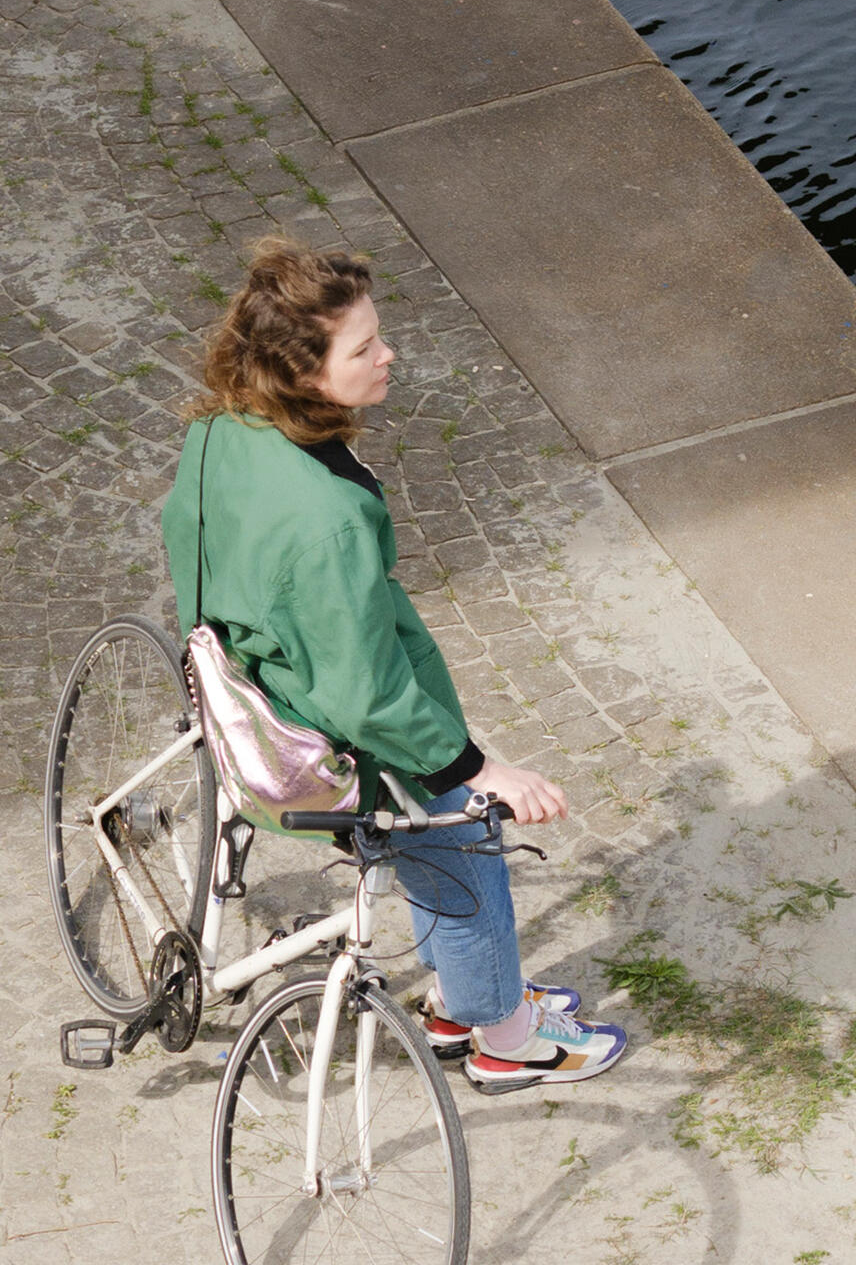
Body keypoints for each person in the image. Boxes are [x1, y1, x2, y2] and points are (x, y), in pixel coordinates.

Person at [160, 236, 626, 1093]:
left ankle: (459, 1001)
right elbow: (368, 698)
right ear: (304, 374)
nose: (389, 354)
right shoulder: (328, 522)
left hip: (238, 675)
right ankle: (501, 1037)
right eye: (365, 347)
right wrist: (481, 768)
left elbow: (181, 528)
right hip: (314, 725)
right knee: (460, 826)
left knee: (445, 813)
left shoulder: (227, 425)